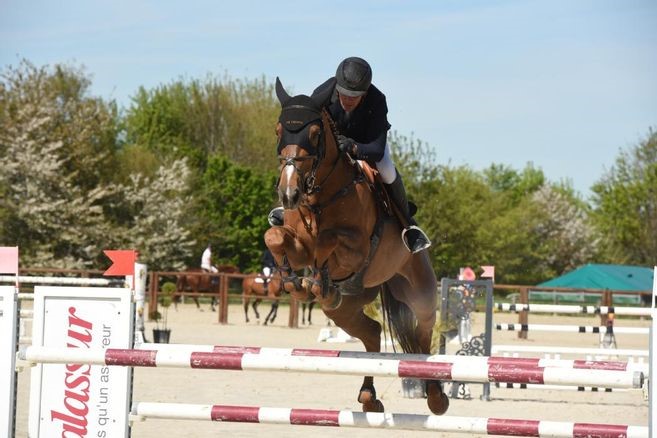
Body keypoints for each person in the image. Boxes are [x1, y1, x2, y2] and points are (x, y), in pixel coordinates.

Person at [269, 57, 430, 253]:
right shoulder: (322, 94)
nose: (348, 100)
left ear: (365, 92)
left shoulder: (377, 100)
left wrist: (354, 148)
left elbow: (377, 149)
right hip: (331, 147)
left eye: (354, 96)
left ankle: (408, 225)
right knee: (306, 166)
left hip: (365, 145)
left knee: (387, 170)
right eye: (344, 94)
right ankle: (289, 209)